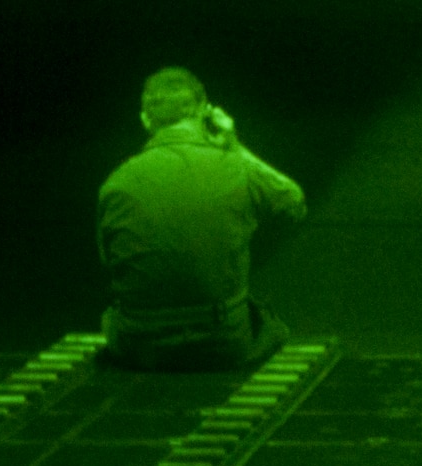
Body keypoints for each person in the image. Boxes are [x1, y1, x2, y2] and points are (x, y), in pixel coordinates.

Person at [96, 67, 306, 370]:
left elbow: (111, 266)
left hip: (141, 348)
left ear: (145, 120)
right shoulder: (236, 168)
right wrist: (234, 145)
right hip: (225, 341)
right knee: (271, 326)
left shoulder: (116, 184)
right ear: (205, 114)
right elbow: (293, 205)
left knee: (112, 317)